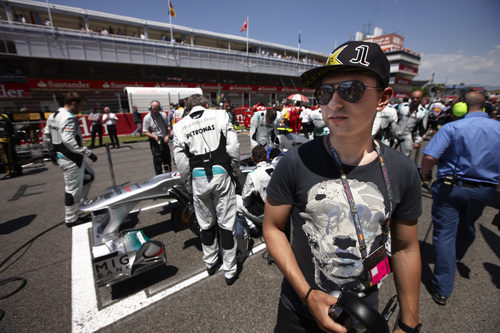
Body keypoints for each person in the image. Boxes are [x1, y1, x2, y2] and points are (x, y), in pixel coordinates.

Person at [263, 41, 422, 333]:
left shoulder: (403, 171)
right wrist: (307, 294)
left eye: (351, 90)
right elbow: (273, 227)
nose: (334, 103)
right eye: (325, 92)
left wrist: (410, 324)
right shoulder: (296, 162)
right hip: (297, 313)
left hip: (362, 316)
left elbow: (406, 248)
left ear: (383, 98)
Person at [421, 91, 500, 306]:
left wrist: (426, 175)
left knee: (445, 234)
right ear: (485, 107)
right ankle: (455, 257)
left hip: (451, 188)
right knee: (468, 226)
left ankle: (443, 288)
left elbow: (429, 157)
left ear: (463, 107)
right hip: (485, 190)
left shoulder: (453, 128)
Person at [173, 94, 241, 285]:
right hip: (221, 175)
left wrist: (189, 185)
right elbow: (233, 146)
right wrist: (234, 171)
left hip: (198, 178)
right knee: (226, 225)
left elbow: (181, 162)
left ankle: (210, 263)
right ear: (205, 105)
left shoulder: (179, 126)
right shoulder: (221, 115)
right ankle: (230, 270)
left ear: (188, 108)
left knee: (205, 224)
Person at [43, 92, 98, 227]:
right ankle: (71, 218)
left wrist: (51, 151)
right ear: (74, 103)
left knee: (89, 176)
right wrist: (87, 152)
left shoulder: (54, 115)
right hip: (71, 157)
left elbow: (46, 136)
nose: (81, 109)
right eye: (81, 105)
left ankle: (81, 204)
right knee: (73, 188)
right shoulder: (68, 118)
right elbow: (68, 140)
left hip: (65, 155)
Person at [235, 145, 274, 258]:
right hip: (281, 211)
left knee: (237, 201)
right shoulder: (277, 168)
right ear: (266, 156)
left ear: (252, 159)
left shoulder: (252, 175)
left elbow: (245, 197)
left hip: (266, 216)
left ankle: (253, 227)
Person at [393, 90, 427, 157]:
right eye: (413, 97)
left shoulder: (423, 112)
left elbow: (422, 129)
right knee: (387, 153)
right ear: (410, 98)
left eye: (417, 98)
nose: (415, 99)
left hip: (407, 136)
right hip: (395, 133)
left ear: (421, 99)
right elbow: (392, 117)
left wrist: (417, 141)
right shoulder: (401, 106)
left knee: (406, 157)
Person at [143, 100, 172, 175]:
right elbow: (145, 131)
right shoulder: (147, 118)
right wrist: (154, 136)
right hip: (155, 141)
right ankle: (159, 177)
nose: (156, 111)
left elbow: (168, 126)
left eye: (157, 109)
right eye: (154, 109)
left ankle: (168, 174)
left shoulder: (163, 115)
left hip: (164, 139)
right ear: (150, 108)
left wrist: (167, 135)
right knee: (157, 160)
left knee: (167, 159)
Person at [0, 112, 22, 179]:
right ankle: (17, 170)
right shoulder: (4, 116)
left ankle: (10, 172)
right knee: (12, 155)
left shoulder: (2, 118)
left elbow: (3, 130)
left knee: (7, 156)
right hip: (8, 138)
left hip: (5, 140)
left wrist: (2, 142)